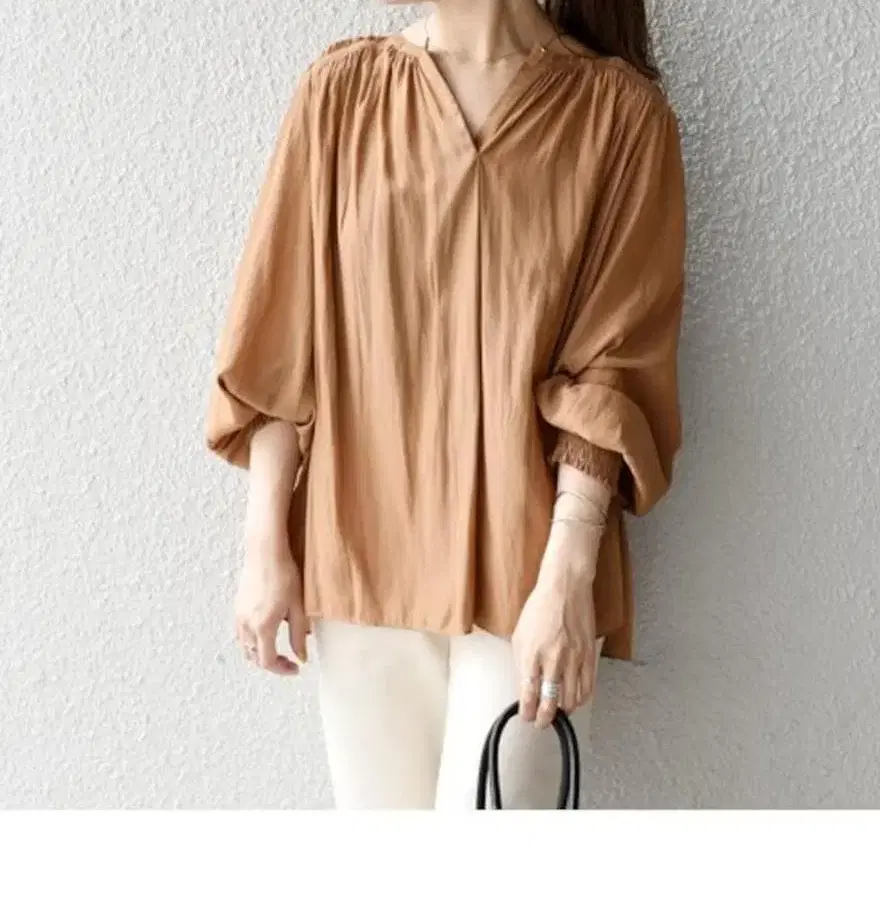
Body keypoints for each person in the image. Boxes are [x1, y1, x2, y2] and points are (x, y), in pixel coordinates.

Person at [203, 0, 686, 809]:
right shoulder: (342, 92)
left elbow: (617, 364)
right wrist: (264, 549)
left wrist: (567, 578)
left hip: (529, 570)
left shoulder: (620, 116)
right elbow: (280, 337)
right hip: (358, 557)